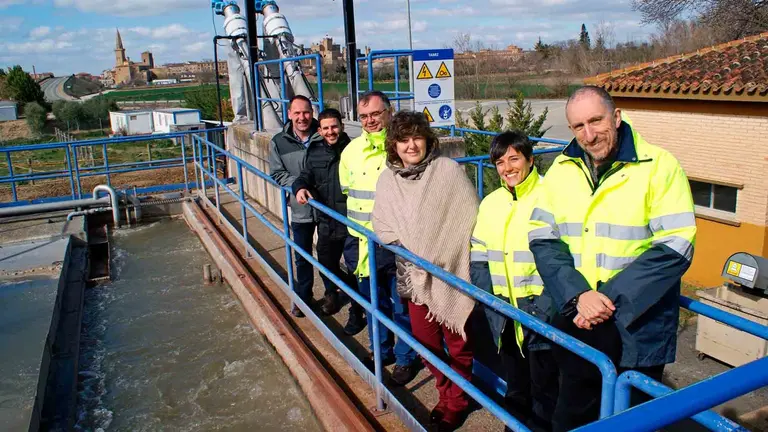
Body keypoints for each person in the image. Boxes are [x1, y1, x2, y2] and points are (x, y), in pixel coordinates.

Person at [528, 86, 697, 431]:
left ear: (616, 118)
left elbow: (677, 245)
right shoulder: (562, 169)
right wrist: (579, 296)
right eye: (578, 126)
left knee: (634, 419)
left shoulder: (659, 166)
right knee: (574, 416)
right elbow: (542, 237)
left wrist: (604, 301)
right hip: (579, 319)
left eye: (596, 121)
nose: (588, 135)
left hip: (637, 326)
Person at [373, 111, 479, 431]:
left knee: (458, 342)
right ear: (393, 145)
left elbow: (468, 217)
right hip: (413, 275)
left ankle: (455, 402)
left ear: (427, 139)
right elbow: (382, 225)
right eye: (403, 140)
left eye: (417, 137)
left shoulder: (446, 170)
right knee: (426, 343)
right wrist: (417, 248)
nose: (411, 145)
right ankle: (445, 393)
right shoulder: (388, 179)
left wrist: (438, 252)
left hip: (451, 272)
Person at [470, 131, 558, 432]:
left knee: (545, 386)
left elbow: (564, 259)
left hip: (540, 313)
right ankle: (514, 425)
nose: (507, 168)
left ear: (530, 159)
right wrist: (489, 299)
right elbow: (478, 253)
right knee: (515, 380)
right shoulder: (491, 202)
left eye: (513, 158)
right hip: (504, 311)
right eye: (499, 162)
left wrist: (547, 306)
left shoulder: (551, 196)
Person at [340, 91, 419, 385]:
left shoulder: (401, 149)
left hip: (396, 243)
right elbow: (347, 190)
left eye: (375, 113)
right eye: (364, 116)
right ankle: (381, 350)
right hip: (362, 244)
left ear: (388, 111)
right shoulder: (351, 152)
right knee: (374, 303)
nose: (370, 120)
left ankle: (405, 359)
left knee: (401, 307)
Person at [292, 108, 365, 327]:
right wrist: (299, 187)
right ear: (320, 129)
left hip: (351, 223)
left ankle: (357, 311)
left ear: (341, 126)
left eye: (334, 127)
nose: (330, 132)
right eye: (325, 128)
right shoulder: (314, 152)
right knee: (326, 264)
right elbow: (306, 175)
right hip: (326, 222)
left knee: (355, 271)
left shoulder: (354, 150)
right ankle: (332, 295)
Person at [269, 95, 319, 318]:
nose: (302, 117)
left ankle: (332, 295)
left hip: (327, 207)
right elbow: (277, 173)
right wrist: (298, 186)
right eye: (297, 113)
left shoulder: (324, 134)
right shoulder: (279, 142)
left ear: (312, 112)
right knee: (302, 256)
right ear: (289, 114)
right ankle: (304, 298)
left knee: (330, 256)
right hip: (300, 209)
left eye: (306, 112)